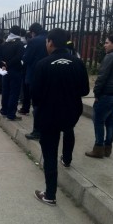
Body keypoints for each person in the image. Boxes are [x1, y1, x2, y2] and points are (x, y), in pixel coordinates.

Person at [32, 28, 89, 206]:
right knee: (69, 130)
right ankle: (67, 158)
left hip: (48, 115)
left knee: (49, 154)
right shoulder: (78, 63)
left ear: (50, 42)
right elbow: (85, 90)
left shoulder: (42, 64)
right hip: (71, 112)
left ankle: (50, 194)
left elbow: (35, 94)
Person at [85, 34, 113, 158]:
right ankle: (108, 148)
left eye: (107, 43)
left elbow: (102, 77)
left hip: (108, 95)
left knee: (99, 121)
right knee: (111, 121)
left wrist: (97, 93)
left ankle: (98, 148)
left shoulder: (110, 57)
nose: (105, 45)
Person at [22, 23, 48, 139]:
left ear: (32, 32)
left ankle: (37, 131)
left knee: (37, 104)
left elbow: (26, 59)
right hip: (51, 76)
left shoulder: (34, 41)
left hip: (35, 76)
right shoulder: (50, 38)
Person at [0, 25, 25, 121]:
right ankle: (11, 114)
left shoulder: (5, 44)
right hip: (15, 71)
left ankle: (4, 110)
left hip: (5, 71)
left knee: (5, 91)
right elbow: (19, 57)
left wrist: (4, 65)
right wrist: (9, 64)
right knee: (14, 93)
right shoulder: (19, 44)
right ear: (19, 33)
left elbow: (0, 57)